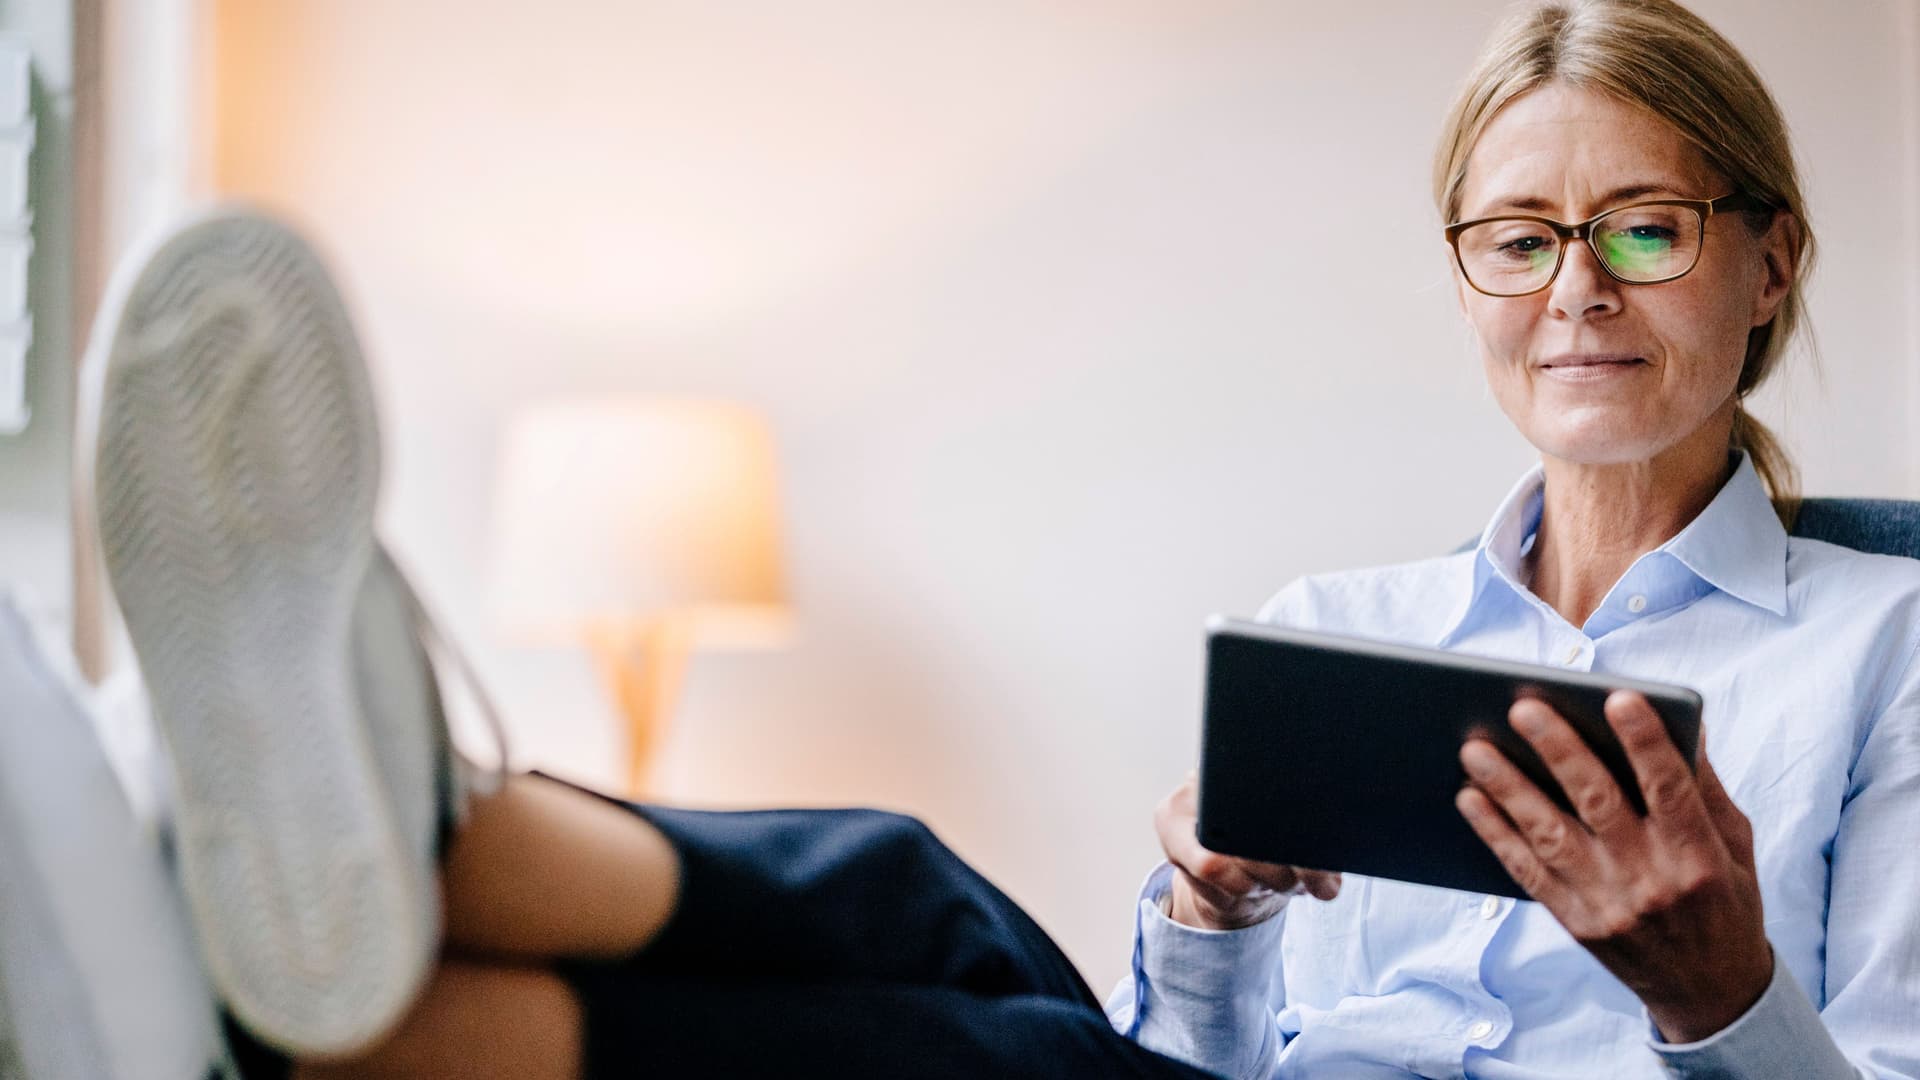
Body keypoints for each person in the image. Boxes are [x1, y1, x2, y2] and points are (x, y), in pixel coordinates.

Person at [77, 209, 1224, 1080]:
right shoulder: (1353, 612)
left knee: (1029, 1057)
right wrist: (1222, 914)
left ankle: (411, 879)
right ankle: (396, 938)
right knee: (916, 889)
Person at [1108, 1, 1920, 1078]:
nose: (1577, 291)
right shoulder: (1326, 633)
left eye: (1647, 228)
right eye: (1522, 242)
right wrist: (1211, 916)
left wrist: (1719, 997)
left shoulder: (1888, 648)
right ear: (1466, 280)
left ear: (1771, 267)